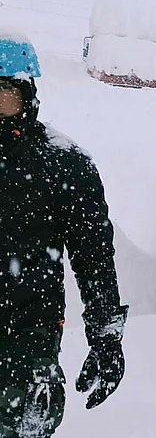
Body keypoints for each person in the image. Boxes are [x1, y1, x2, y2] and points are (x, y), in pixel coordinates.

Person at [0, 33, 127, 437]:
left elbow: (93, 258)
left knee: (27, 421)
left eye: (3, 91)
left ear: (27, 94)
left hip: (28, 332)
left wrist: (106, 337)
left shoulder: (62, 164)